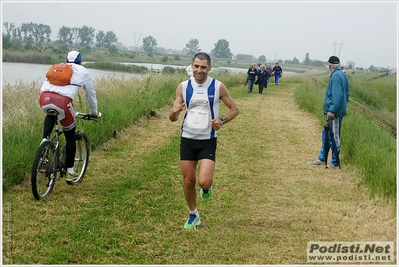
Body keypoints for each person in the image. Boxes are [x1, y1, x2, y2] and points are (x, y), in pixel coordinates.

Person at [169, 52, 240, 229]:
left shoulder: (218, 87)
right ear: (191, 66)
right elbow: (172, 117)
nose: (199, 70)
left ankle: (207, 188)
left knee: (204, 181)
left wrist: (221, 121)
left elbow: (235, 109)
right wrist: (174, 112)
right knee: (188, 181)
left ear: (209, 68)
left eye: (203, 67)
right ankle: (194, 215)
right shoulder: (183, 87)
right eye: (196, 66)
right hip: (187, 139)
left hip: (207, 140)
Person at [39, 51, 100, 181]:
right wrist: (94, 112)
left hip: (44, 98)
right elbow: (90, 94)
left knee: (51, 114)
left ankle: (44, 143)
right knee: (70, 137)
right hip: (63, 103)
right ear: (81, 62)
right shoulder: (83, 71)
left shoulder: (59, 68)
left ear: (66, 60)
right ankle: (70, 172)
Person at [307, 55, 350, 169]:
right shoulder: (343, 74)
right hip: (336, 110)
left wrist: (332, 110)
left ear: (329, 65)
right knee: (326, 135)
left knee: (334, 136)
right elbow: (347, 94)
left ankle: (335, 162)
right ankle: (322, 158)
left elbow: (338, 95)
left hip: (334, 113)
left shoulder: (336, 76)